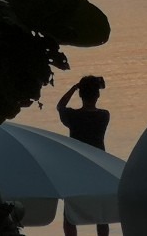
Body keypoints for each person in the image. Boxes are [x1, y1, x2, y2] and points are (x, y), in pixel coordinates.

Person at [57, 76, 110, 236]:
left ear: (80, 94)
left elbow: (60, 106)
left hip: (75, 167)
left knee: (70, 214)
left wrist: (74, 87)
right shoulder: (104, 116)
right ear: (97, 95)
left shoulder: (73, 117)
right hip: (99, 167)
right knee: (102, 214)